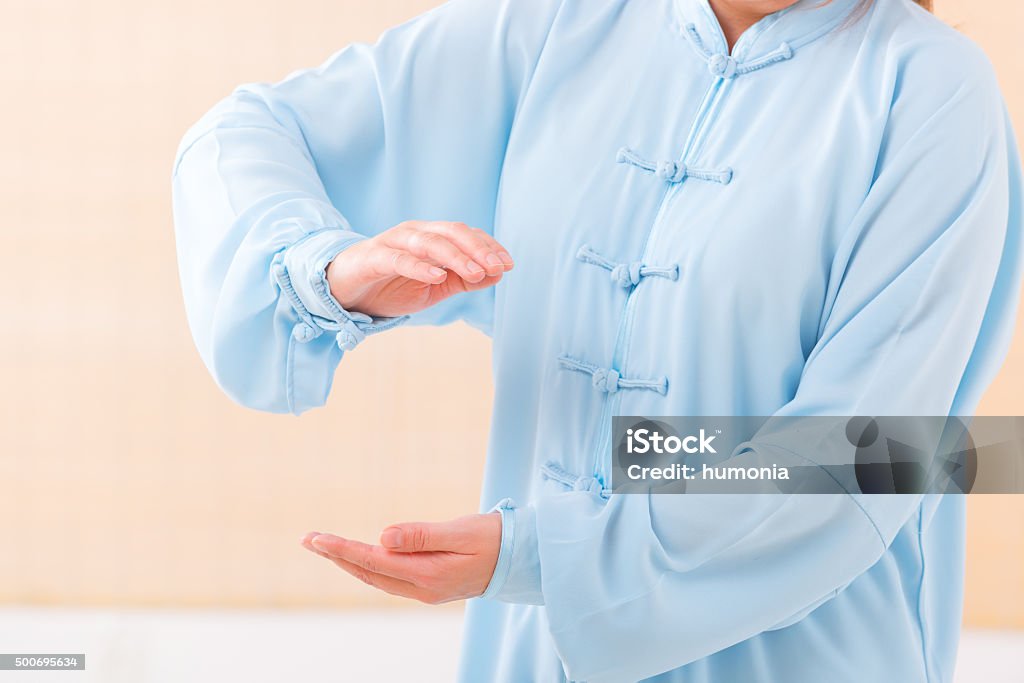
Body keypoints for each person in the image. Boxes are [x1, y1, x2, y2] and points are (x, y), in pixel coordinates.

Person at [172, 0, 1023, 680]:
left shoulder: (931, 90)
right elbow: (240, 133)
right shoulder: (553, 25)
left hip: (807, 653)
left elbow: (874, 454)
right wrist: (322, 270)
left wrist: (551, 552)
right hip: (540, 645)